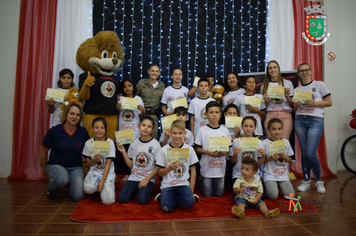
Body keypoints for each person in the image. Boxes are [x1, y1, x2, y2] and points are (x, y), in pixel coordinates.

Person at [293, 63, 332, 194]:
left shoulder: (319, 84)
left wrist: (314, 103)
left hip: (315, 120)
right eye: (301, 71)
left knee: (310, 152)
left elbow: (329, 102)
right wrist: (296, 106)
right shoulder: (297, 89)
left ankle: (319, 181)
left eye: (306, 70)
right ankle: (306, 180)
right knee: (304, 152)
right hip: (300, 120)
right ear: (298, 74)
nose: (304, 73)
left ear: (310, 71)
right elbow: (293, 109)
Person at [39, 103, 89, 201]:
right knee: (62, 179)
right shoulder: (54, 131)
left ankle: (68, 181)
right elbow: (42, 152)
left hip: (75, 167)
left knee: (78, 196)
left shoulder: (83, 132)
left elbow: (87, 153)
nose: (74, 117)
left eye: (78, 115)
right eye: (72, 113)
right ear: (66, 114)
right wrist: (44, 172)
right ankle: (52, 189)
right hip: (55, 165)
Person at [156, 120, 199, 213]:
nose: (177, 136)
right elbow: (160, 172)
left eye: (180, 133)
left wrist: (191, 191)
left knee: (188, 203)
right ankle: (166, 196)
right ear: (170, 133)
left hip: (183, 183)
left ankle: (176, 197)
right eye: (174, 133)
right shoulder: (163, 150)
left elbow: (193, 170)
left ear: (185, 134)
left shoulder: (189, 149)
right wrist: (169, 168)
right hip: (168, 185)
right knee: (166, 208)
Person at [116, 115, 161, 205]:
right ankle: (137, 188)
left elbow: (159, 166)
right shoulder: (133, 143)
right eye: (143, 125)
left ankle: (148, 188)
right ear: (138, 126)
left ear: (152, 130)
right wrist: (123, 152)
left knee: (142, 200)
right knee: (122, 198)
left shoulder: (155, 144)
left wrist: (147, 179)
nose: (146, 128)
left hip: (148, 178)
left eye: (149, 127)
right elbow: (131, 165)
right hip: (134, 177)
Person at [195, 101, 231, 197]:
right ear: (206, 114)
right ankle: (200, 179)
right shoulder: (201, 130)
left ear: (220, 114)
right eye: (211, 112)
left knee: (219, 194)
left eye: (216, 112)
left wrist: (224, 152)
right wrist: (207, 152)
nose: (214, 115)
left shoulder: (225, 130)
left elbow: (228, 149)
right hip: (207, 169)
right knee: (207, 195)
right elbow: (197, 149)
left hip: (220, 169)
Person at [116, 77, 145, 182]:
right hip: (123, 132)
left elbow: (141, 116)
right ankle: (124, 174)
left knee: (132, 153)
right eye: (125, 86)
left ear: (133, 87)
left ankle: (132, 173)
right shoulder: (119, 99)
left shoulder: (138, 99)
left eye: (129, 86)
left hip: (134, 132)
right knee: (123, 153)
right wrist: (117, 109)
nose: (127, 88)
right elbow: (117, 115)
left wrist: (142, 110)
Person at [83, 117, 116, 205]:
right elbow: (88, 163)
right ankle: (96, 189)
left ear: (105, 129)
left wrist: (102, 182)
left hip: (107, 173)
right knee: (88, 189)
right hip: (94, 172)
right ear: (92, 129)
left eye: (102, 128)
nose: (99, 130)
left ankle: (103, 187)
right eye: (96, 127)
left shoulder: (110, 143)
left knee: (108, 201)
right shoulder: (88, 143)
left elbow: (108, 163)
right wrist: (94, 160)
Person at [261, 60, 294, 139]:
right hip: (270, 115)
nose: (273, 70)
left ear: (278, 69)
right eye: (270, 68)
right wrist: (266, 101)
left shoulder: (288, 83)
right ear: (268, 71)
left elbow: (292, 104)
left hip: (285, 115)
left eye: (275, 67)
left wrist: (287, 97)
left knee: (284, 143)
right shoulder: (264, 86)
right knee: (271, 143)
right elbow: (263, 106)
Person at [263, 118, 295, 200]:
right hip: (269, 174)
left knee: (291, 196)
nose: (277, 132)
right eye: (274, 129)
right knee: (273, 196)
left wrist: (286, 157)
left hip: (282, 175)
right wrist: (270, 158)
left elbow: (290, 160)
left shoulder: (286, 142)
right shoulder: (265, 143)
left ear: (282, 129)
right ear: (269, 129)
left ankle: (278, 185)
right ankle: (268, 185)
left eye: (279, 129)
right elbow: (262, 161)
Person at [229, 116, 266, 183]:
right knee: (239, 192)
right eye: (246, 126)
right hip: (239, 175)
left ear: (255, 128)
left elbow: (259, 164)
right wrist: (235, 154)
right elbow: (232, 161)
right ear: (242, 127)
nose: (248, 129)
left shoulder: (260, 143)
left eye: (251, 126)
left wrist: (263, 156)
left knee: (259, 193)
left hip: (254, 176)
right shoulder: (236, 141)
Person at [136, 64, 165, 139]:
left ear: (159, 73)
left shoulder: (162, 86)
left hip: (154, 116)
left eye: (156, 71)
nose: (154, 73)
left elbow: (164, 101)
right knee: (139, 136)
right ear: (148, 71)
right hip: (141, 115)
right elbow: (135, 97)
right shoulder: (141, 83)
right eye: (152, 71)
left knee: (153, 137)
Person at [219, 103, 241, 192]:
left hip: (237, 159)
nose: (232, 115)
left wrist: (239, 134)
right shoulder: (220, 127)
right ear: (225, 114)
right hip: (224, 158)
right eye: (230, 113)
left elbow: (246, 143)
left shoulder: (241, 128)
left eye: (234, 113)